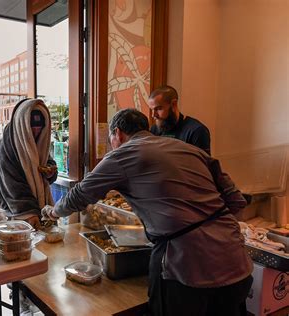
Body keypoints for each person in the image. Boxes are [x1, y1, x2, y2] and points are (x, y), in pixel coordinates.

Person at [43, 108, 253, 316]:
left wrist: (53, 213)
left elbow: (80, 194)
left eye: (111, 140)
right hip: (236, 261)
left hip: (188, 268)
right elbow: (236, 200)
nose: (112, 145)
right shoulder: (189, 149)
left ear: (118, 133)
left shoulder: (122, 155)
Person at [0, 98, 58, 229]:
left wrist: (51, 171)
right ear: (22, 125)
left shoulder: (39, 142)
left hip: (37, 207)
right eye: (31, 128)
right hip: (16, 210)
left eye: (39, 129)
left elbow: (47, 161)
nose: (35, 133)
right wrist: (29, 212)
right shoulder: (6, 146)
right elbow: (11, 184)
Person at [148, 85, 211, 155]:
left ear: (173, 104)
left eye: (158, 109)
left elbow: (203, 164)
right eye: (152, 110)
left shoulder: (196, 131)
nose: (153, 115)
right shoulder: (154, 130)